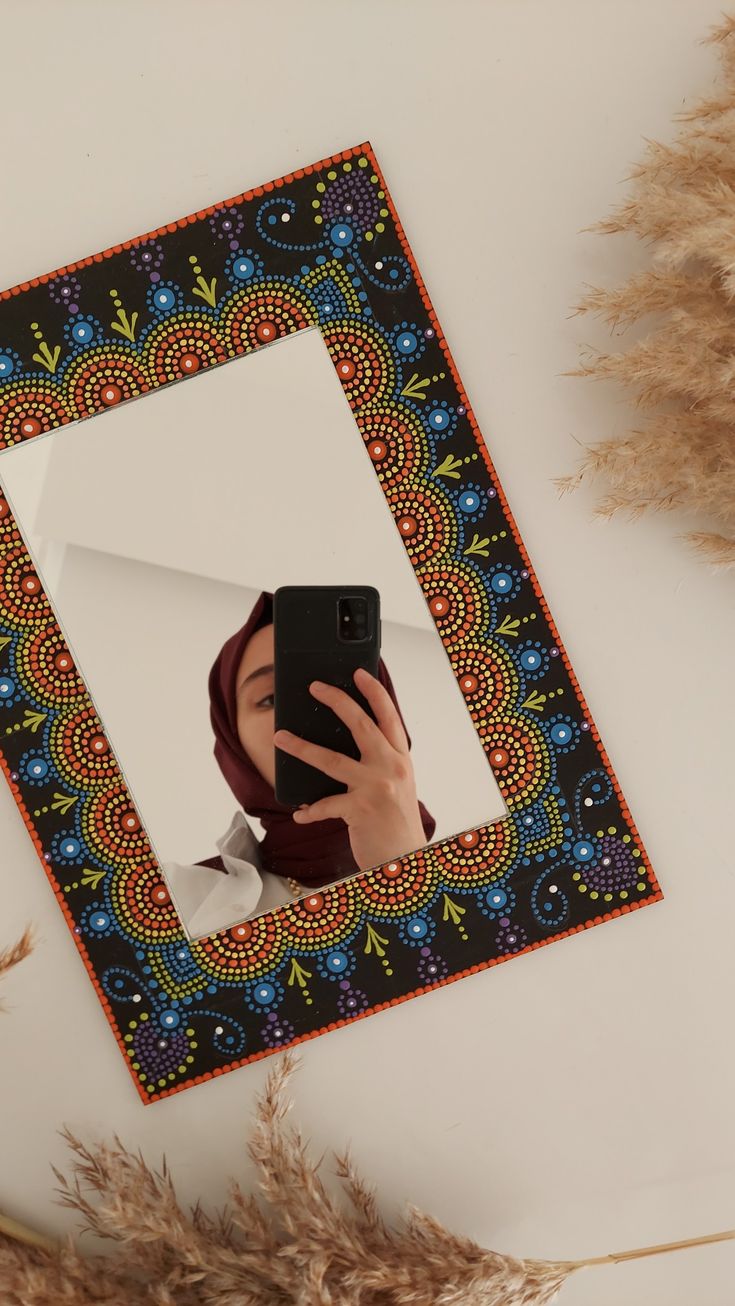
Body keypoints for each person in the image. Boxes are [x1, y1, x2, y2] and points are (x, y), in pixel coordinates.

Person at [163, 591, 436, 934]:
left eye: (340, 688)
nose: (315, 710)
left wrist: (406, 869)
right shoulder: (177, 901)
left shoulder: (492, 873)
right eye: (273, 697)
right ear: (233, 741)